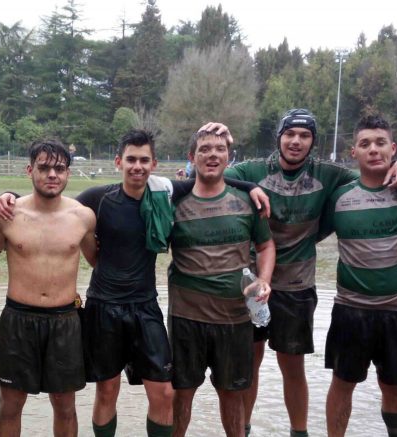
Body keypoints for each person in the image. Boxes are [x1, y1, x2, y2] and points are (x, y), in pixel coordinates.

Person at [199, 111, 397, 436]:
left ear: (313, 141)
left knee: (292, 366)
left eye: (304, 135)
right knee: (248, 364)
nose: (296, 141)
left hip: (297, 286)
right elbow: (213, 175)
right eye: (290, 134)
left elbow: (372, 173)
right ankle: (244, 429)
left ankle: (299, 432)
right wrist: (243, 175)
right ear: (279, 137)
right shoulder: (253, 169)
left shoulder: (328, 174)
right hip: (251, 283)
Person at [76, 129, 269, 437]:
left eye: (144, 160)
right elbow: (58, 209)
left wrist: (251, 186)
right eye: (130, 160)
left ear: (154, 164)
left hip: (145, 306)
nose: (137, 166)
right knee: (107, 390)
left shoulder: (165, 193)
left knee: (165, 392)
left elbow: (209, 178)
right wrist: (8, 196)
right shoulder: (98, 198)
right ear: (118, 162)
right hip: (104, 306)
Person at [320, 64, 397, 437]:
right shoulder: (339, 197)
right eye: (365, 144)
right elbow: (297, 234)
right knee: (342, 383)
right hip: (351, 311)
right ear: (353, 152)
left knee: (395, 388)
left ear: (394, 148)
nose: (373, 149)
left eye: (380, 142)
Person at [168, 129, 276, 437]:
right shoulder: (174, 203)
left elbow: (266, 246)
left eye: (219, 149)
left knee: (232, 394)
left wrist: (264, 280)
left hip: (234, 319)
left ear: (229, 157)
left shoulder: (247, 202)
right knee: (181, 393)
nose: (212, 154)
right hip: (186, 319)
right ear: (192, 157)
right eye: (204, 149)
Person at [0, 139, 97, 437]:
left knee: (65, 406)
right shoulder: (7, 214)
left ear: (68, 174)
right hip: (18, 320)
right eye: (44, 167)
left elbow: (100, 263)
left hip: (64, 321)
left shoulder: (83, 217)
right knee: (10, 404)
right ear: (30, 170)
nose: (52, 174)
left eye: (59, 169)